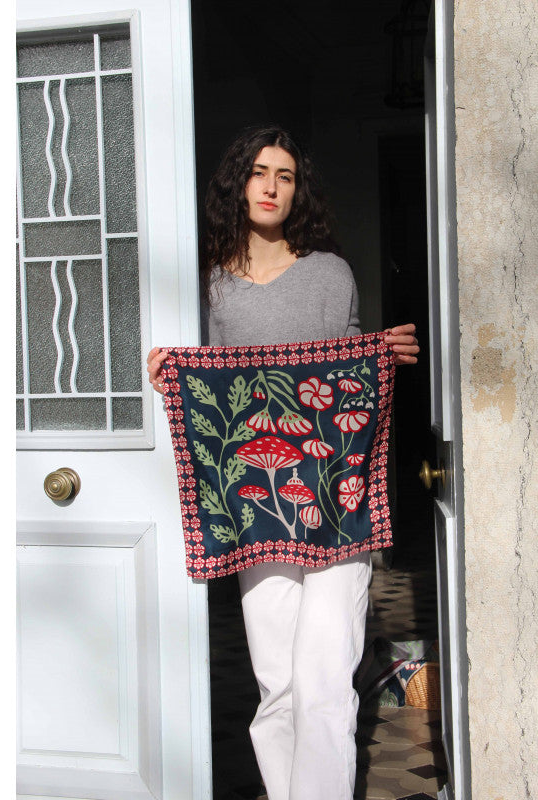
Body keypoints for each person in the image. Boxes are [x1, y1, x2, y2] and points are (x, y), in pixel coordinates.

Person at [147, 125, 419, 800]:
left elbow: (345, 374)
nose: (271, 187)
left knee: (324, 679)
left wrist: (381, 355)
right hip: (257, 501)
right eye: (260, 172)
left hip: (336, 501)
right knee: (277, 685)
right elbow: (213, 385)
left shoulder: (330, 274)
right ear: (238, 184)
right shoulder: (210, 286)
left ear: (299, 191)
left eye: (286, 176)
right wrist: (170, 374)